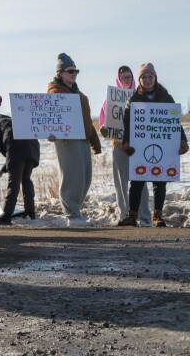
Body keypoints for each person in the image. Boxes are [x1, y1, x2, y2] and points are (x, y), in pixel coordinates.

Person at [118, 63, 189, 227]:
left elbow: (174, 122)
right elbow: (127, 122)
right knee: (137, 179)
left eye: (150, 76)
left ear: (155, 78)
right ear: (139, 80)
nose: (147, 79)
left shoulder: (166, 97)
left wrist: (182, 140)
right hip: (139, 145)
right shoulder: (133, 99)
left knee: (160, 180)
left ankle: (157, 215)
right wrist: (126, 142)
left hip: (163, 144)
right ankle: (132, 215)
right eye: (144, 77)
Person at [46, 53, 102, 226]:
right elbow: (49, 117)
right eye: (70, 71)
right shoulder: (55, 92)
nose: (74, 74)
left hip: (83, 139)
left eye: (76, 71)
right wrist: (50, 131)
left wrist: (95, 142)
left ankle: (76, 212)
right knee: (72, 176)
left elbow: (87, 120)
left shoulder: (78, 93)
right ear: (60, 73)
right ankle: (72, 215)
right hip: (67, 139)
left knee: (85, 177)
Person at [99, 65, 151, 225]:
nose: (126, 80)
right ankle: (124, 215)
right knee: (121, 183)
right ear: (118, 79)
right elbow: (104, 122)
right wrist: (104, 129)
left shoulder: (141, 96)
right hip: (119, 146)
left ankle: (144, 215)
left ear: (133, 78)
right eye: (123, 77)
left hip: (138, 147)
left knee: (141, 181)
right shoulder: (111, 100)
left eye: (129, 76)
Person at [0, 114, 40, 225]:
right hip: (32, 144)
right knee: (26, 179)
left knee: (14, 181)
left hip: (15, 143)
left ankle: (7, 214)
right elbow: (15, 157)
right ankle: (30, 211)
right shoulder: (9, 121)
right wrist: (1, 171)